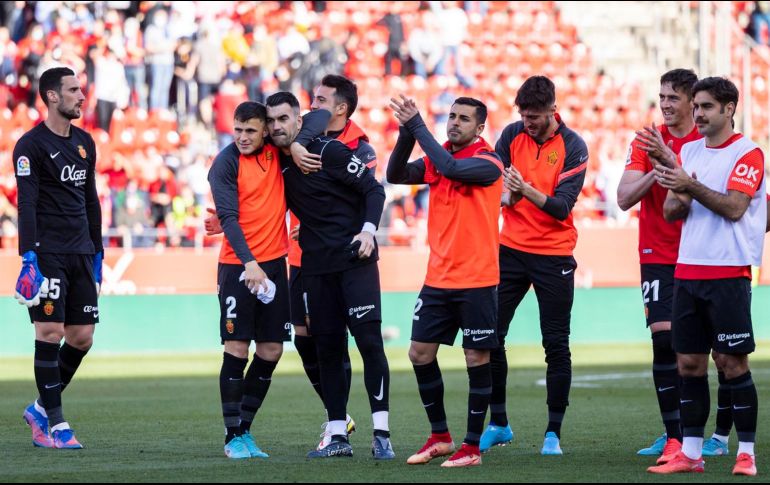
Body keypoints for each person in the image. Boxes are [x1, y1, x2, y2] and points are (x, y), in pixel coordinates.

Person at [647, 77, 765, 476]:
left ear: (729, 109)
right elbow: (670, 212)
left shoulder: (748, 154)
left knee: (732, 363)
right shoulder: (687, 150)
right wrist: (675, 184)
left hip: (729, 273)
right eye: (695, 106)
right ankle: (691, 454)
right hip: (688, 270)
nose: (697, 114)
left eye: (707, 107)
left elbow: (734, 208)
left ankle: (745, 453)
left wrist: (689, 185)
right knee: (689, 365)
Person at [266, 92, 393, 459]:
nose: (277, 127)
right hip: (316, 268)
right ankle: (338, 435)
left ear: (299, 120)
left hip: (356, 261)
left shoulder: (330, 152)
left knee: (370, 344)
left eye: (284, 119)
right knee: (329, 350)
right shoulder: (277, 159)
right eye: (272, 121)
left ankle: (382, 434)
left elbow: (374, 190)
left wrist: (368, 231)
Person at [387, 95, 503, 467]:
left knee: (475, 356)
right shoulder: (440, 159)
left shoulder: (489, 162)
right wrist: (407, 131)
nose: (454, 122)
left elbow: (451, 168)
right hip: (438, 277)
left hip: (477, 278)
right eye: (451, 116)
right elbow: (395, 174)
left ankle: (472, 447)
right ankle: (440, 436)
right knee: (419, 353)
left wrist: (418, 124)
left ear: (480, 128)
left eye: (464, 118)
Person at [482, 75, 588, 455]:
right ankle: (498, 423)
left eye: (536, 117)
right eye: (525, 115)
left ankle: (552, 434)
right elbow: (496, 186)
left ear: (553, 111)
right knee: (489, 335)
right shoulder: (511, 135)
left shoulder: (574, 147)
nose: (529, 122)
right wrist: (508, 196)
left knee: (555, 344)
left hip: (555, 253)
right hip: (509, 249)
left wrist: (524, 190)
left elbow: (562, 207)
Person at [617, 69, 708, 461]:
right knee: (664, 340)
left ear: (692, 102)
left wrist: (673, 163)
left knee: (714, 352)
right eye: (662, 97)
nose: (666, 104)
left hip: (702, 253)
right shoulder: (646, 140)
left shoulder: (707, 140)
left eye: (673, 97)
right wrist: (657, 168)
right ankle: (673, 437)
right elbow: (623, 198)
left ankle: (711, 435)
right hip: (657, 254)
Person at [14, 67, 103, 450]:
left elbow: (91, 200)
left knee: (81, 337)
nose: (81, 97)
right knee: (49, 332)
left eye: (80, 89)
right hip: (47, 253)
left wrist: (98, 252)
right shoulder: (30, 146)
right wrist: (28, 256)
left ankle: (38, 407)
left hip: (81, 251)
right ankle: (56, 424)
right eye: (73, 90)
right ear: (52, 96)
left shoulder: (85, 142)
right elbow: (27, 203)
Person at [207, 101, 291, 460]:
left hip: (274, 265)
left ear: (265, 131)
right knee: (237, 347)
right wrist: (249, 262)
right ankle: (232, 436)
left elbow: (314, 121)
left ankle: (245, 429)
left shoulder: (278, 152)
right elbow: (227, 216)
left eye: (250, 131)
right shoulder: (224, 164)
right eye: (238, 130)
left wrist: (298, 144)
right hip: (238, 267)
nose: (242, 137)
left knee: (271, 349)